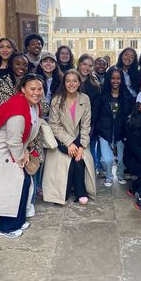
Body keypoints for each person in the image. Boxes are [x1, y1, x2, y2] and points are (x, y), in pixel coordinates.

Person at [0, 73, 44, 238]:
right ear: (23, 90)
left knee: (23, 180)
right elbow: (13, 140)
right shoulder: (19, 109)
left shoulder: (33, 106)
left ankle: (18, 220)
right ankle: (5, 227)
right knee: (15, 182)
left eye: (40, 89)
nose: (37, 92)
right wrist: (21, 158)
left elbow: (21, 136)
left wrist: (25, 150)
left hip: (8, 145)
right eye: (32, 89)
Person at [42, 70, 96, 205]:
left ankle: (81, 192)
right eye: (68, 81)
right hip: (61, 140)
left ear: (79, 83)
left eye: (74, 81)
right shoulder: (57, 100)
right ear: (64, 83)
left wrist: (82, 146)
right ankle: (62, 193)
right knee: (68, 162)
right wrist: (69, 142)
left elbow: (86, 125)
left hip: (79, 138)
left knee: (79, 160)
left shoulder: (85, 99)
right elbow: (54, 125)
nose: (71, 84)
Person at [96, 67, 134, 187]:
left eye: (118, 78)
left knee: (122, 159)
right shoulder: (102, 95)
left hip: (121, 132)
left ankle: (120, 175)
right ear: (108, 79)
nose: (115, 81)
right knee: (107, 160)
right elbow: (97, 114)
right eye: (112, 78)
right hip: (104, 131)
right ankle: (109, 176)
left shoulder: (128, 96)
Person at [77, 54, 102, 174]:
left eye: (90, 65)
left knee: (89, 150)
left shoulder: (94, 85)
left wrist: (89, 124)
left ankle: (89, 174)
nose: (86, 68)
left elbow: (96, 108)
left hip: (88, 123)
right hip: (71, 122)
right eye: (84, 64)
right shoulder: (70, 79)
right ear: (79, 64)